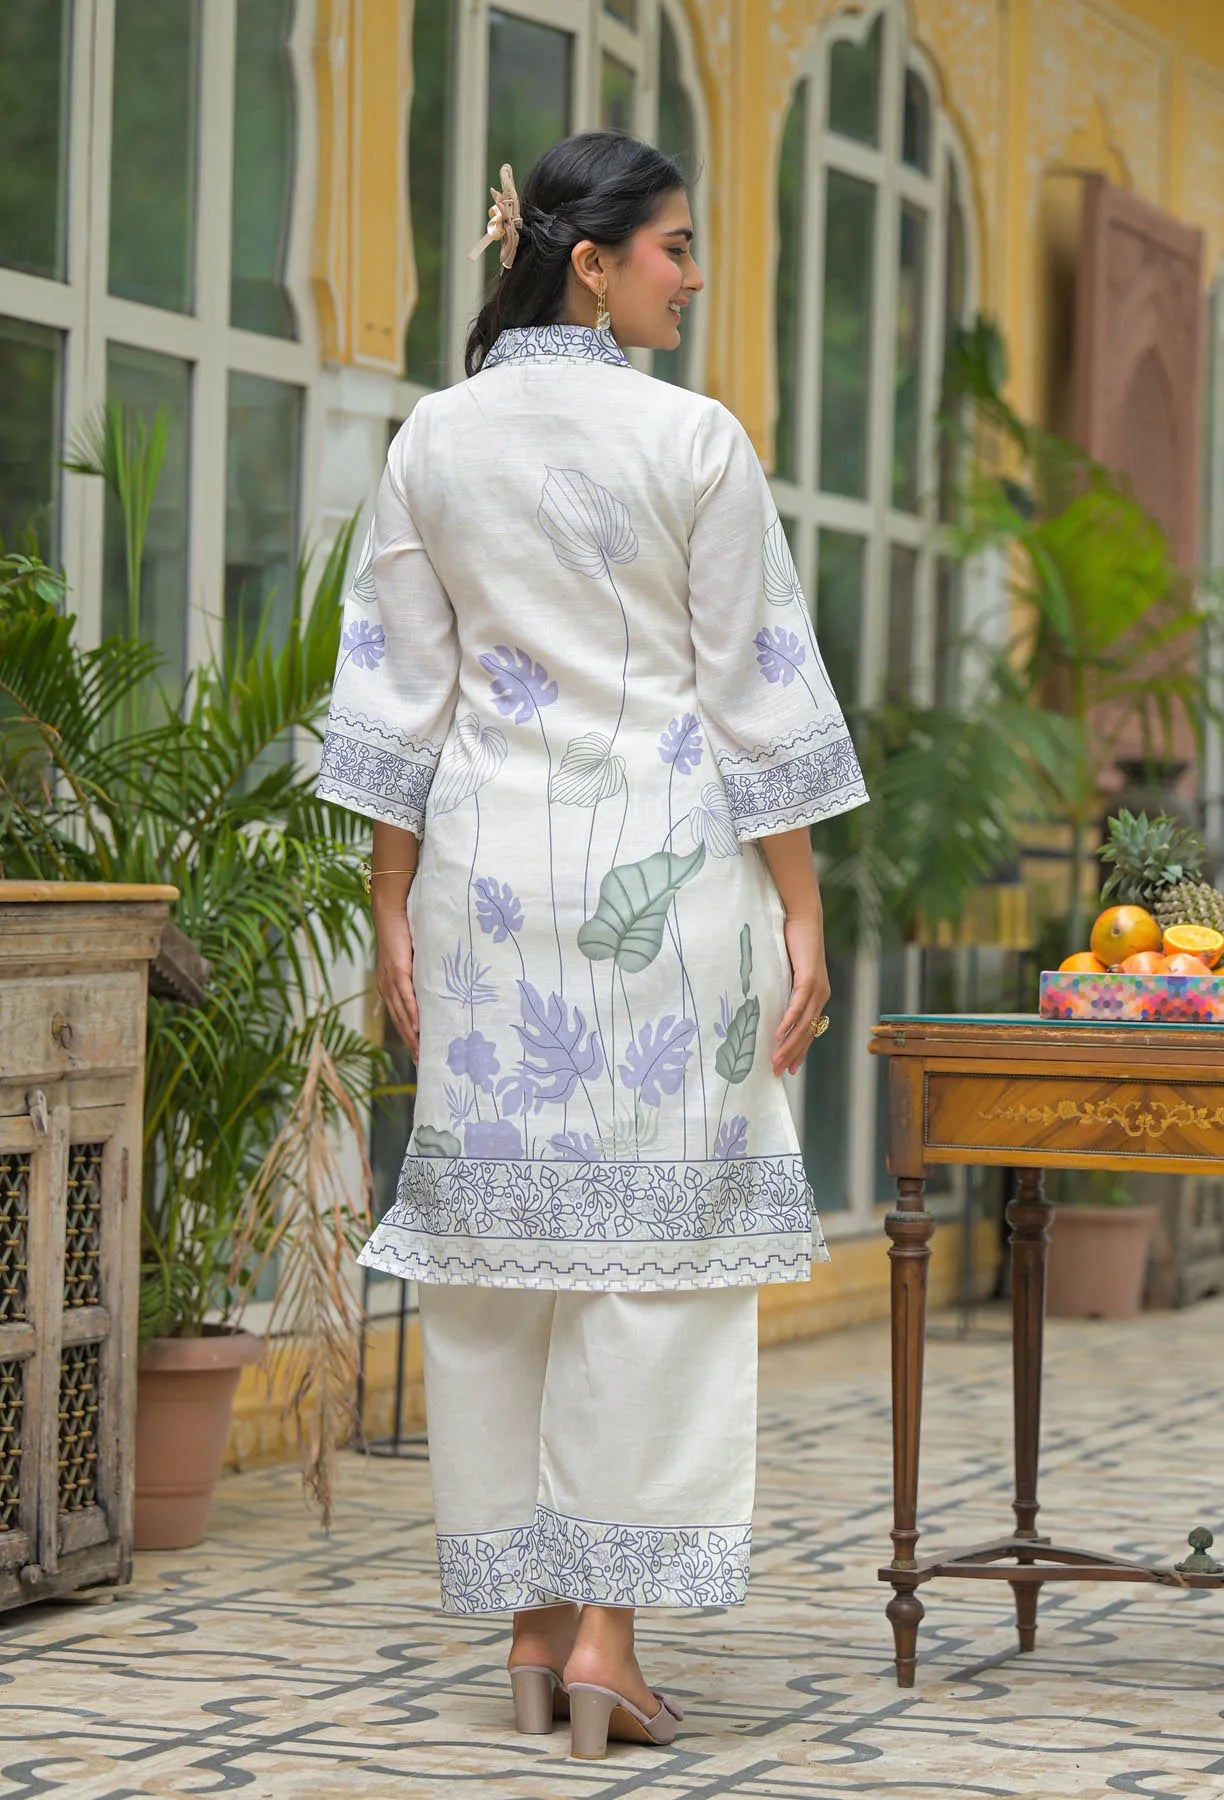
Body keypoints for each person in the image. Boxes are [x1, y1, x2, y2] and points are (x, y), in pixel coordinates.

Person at [317, 129, 867, 1760]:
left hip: (484, 901)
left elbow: (390, 705)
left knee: (498, 1270)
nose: (693, 276)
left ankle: (533, 1636)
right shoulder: (693, 441)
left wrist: (386, 913)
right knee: (658, 1270)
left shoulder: (437, 439)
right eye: (678, 248)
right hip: (670, 898)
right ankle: (609, 1642)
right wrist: (805, 900)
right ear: (593, 260)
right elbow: (752, 687)